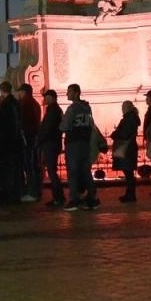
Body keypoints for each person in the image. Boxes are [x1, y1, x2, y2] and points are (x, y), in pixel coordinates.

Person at [60, 83, 99, 211]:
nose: (67, 94)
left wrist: (62, 123)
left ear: (76, 93)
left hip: (73, 143)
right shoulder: (87, 108)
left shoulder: (72, 109)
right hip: (85, 142)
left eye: (69, 91)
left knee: (73, 172)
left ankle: (74, 200)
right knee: (85, 171)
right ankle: (92, 198)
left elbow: (64, 126)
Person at [0, 83, 26, 205]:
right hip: (15, 141)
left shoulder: (4, 106)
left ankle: (7, 194)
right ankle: (15, 194)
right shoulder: (16, 103)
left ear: (1, 90)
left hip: (6, 142)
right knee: (15, 169)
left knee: (6, 170)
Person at [37, 88, 66, 208]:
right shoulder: (55, 110)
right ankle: (58, 196)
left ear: (52, 98)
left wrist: (40, 140)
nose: (45, 99)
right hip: (53, 143)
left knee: (52, 172)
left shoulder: (53, 111)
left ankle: (58, 197)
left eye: (47, 97)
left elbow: (47, 129)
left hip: (50, 144)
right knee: (52, 171)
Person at [111, 100, 141, 203]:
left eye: (124, 106)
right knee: (128, 172)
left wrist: (115, 135)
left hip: (127, 148)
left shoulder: (130, 118)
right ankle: (129, 194)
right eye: (122, 106)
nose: (122, 108)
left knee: (128, 173)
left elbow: (125, 133)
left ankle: (130, 195)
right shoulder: (130, 117)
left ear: (129, 107)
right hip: (129, 147)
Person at [18, 84, 43, 201]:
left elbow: (24, 122)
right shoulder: (35, 104)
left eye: (21, 92)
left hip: (28, 138)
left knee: (29, 166)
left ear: (25, 92)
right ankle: (36, 191)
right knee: (33, 165)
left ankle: (32, 192)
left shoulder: (26, 104)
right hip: (34, 137)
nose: (19, 94)